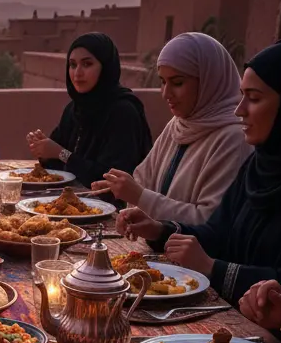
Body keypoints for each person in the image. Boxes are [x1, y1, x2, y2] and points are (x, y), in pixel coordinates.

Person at [119, 40, 281, 305]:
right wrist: (160, 230)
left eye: (253, 98)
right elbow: (220, 232)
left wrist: (212, 268)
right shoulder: (261, 164)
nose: (238, 109)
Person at [97, 32, 251, 224]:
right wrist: (125, 193)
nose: (166, 93)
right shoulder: (178, 125)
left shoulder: (233, 138)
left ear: (207, 80)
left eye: (177, 83)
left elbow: (209, 221)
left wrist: (139, 197)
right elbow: (144, 180)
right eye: (162, 81)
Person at [26, 33, 151, 186]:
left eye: (87, 64)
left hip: (113, 206)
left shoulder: (123, 112)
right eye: (72, 65)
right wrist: (43, 151)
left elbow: (112, 179)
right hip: (70, 200)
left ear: (105, 67)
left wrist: (60, 153)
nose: (77, 73)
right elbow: (58, 169)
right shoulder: (74, 109)